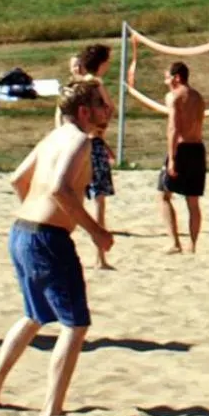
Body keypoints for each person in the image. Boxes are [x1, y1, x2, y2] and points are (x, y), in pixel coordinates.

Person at [0, 79, 115, 416]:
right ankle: (52, 407)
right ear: (84, 111)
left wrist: (35, 210)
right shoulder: (80, 140)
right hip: (46, 238)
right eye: (100, 104)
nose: (107, 110)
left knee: (33, 315)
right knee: (75, 324)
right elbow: (59, 189)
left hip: (21, 231)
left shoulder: (52, 136)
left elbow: (17, 179)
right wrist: (95, 231)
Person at [157, 61, 207, 254]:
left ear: (177, 77)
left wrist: (172, 157)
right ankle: (192, 245)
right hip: (197, 148)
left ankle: (174, 242)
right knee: (193, 202)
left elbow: (173, 128)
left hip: (181, 148)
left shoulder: (174, 97)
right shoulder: (198, 97)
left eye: (167, 77)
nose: (165, 81)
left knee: (163, 195)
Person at [75, 44, 116, 269]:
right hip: (93, 142)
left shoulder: (76, 83)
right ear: (101, 62)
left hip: (77, 141)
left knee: (74, 199)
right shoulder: (95, 83)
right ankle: (100, 257)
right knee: (99, 201)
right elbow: (110, 108)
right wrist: (100, 129)